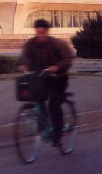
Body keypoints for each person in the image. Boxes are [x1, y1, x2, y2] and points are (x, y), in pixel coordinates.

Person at [18, 19, 76, 147]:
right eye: (38, 32)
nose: (40, 35)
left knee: (53, 104)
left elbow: (67, 58)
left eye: (42, 33)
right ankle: (44, 126)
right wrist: (22, 65)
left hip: (58, 78)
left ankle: (58, 134)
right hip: (41, 77)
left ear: (47, 32)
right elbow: (24, 56)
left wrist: (57, 67)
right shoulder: (31, 43)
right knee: (37, 100)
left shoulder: (57, 44)